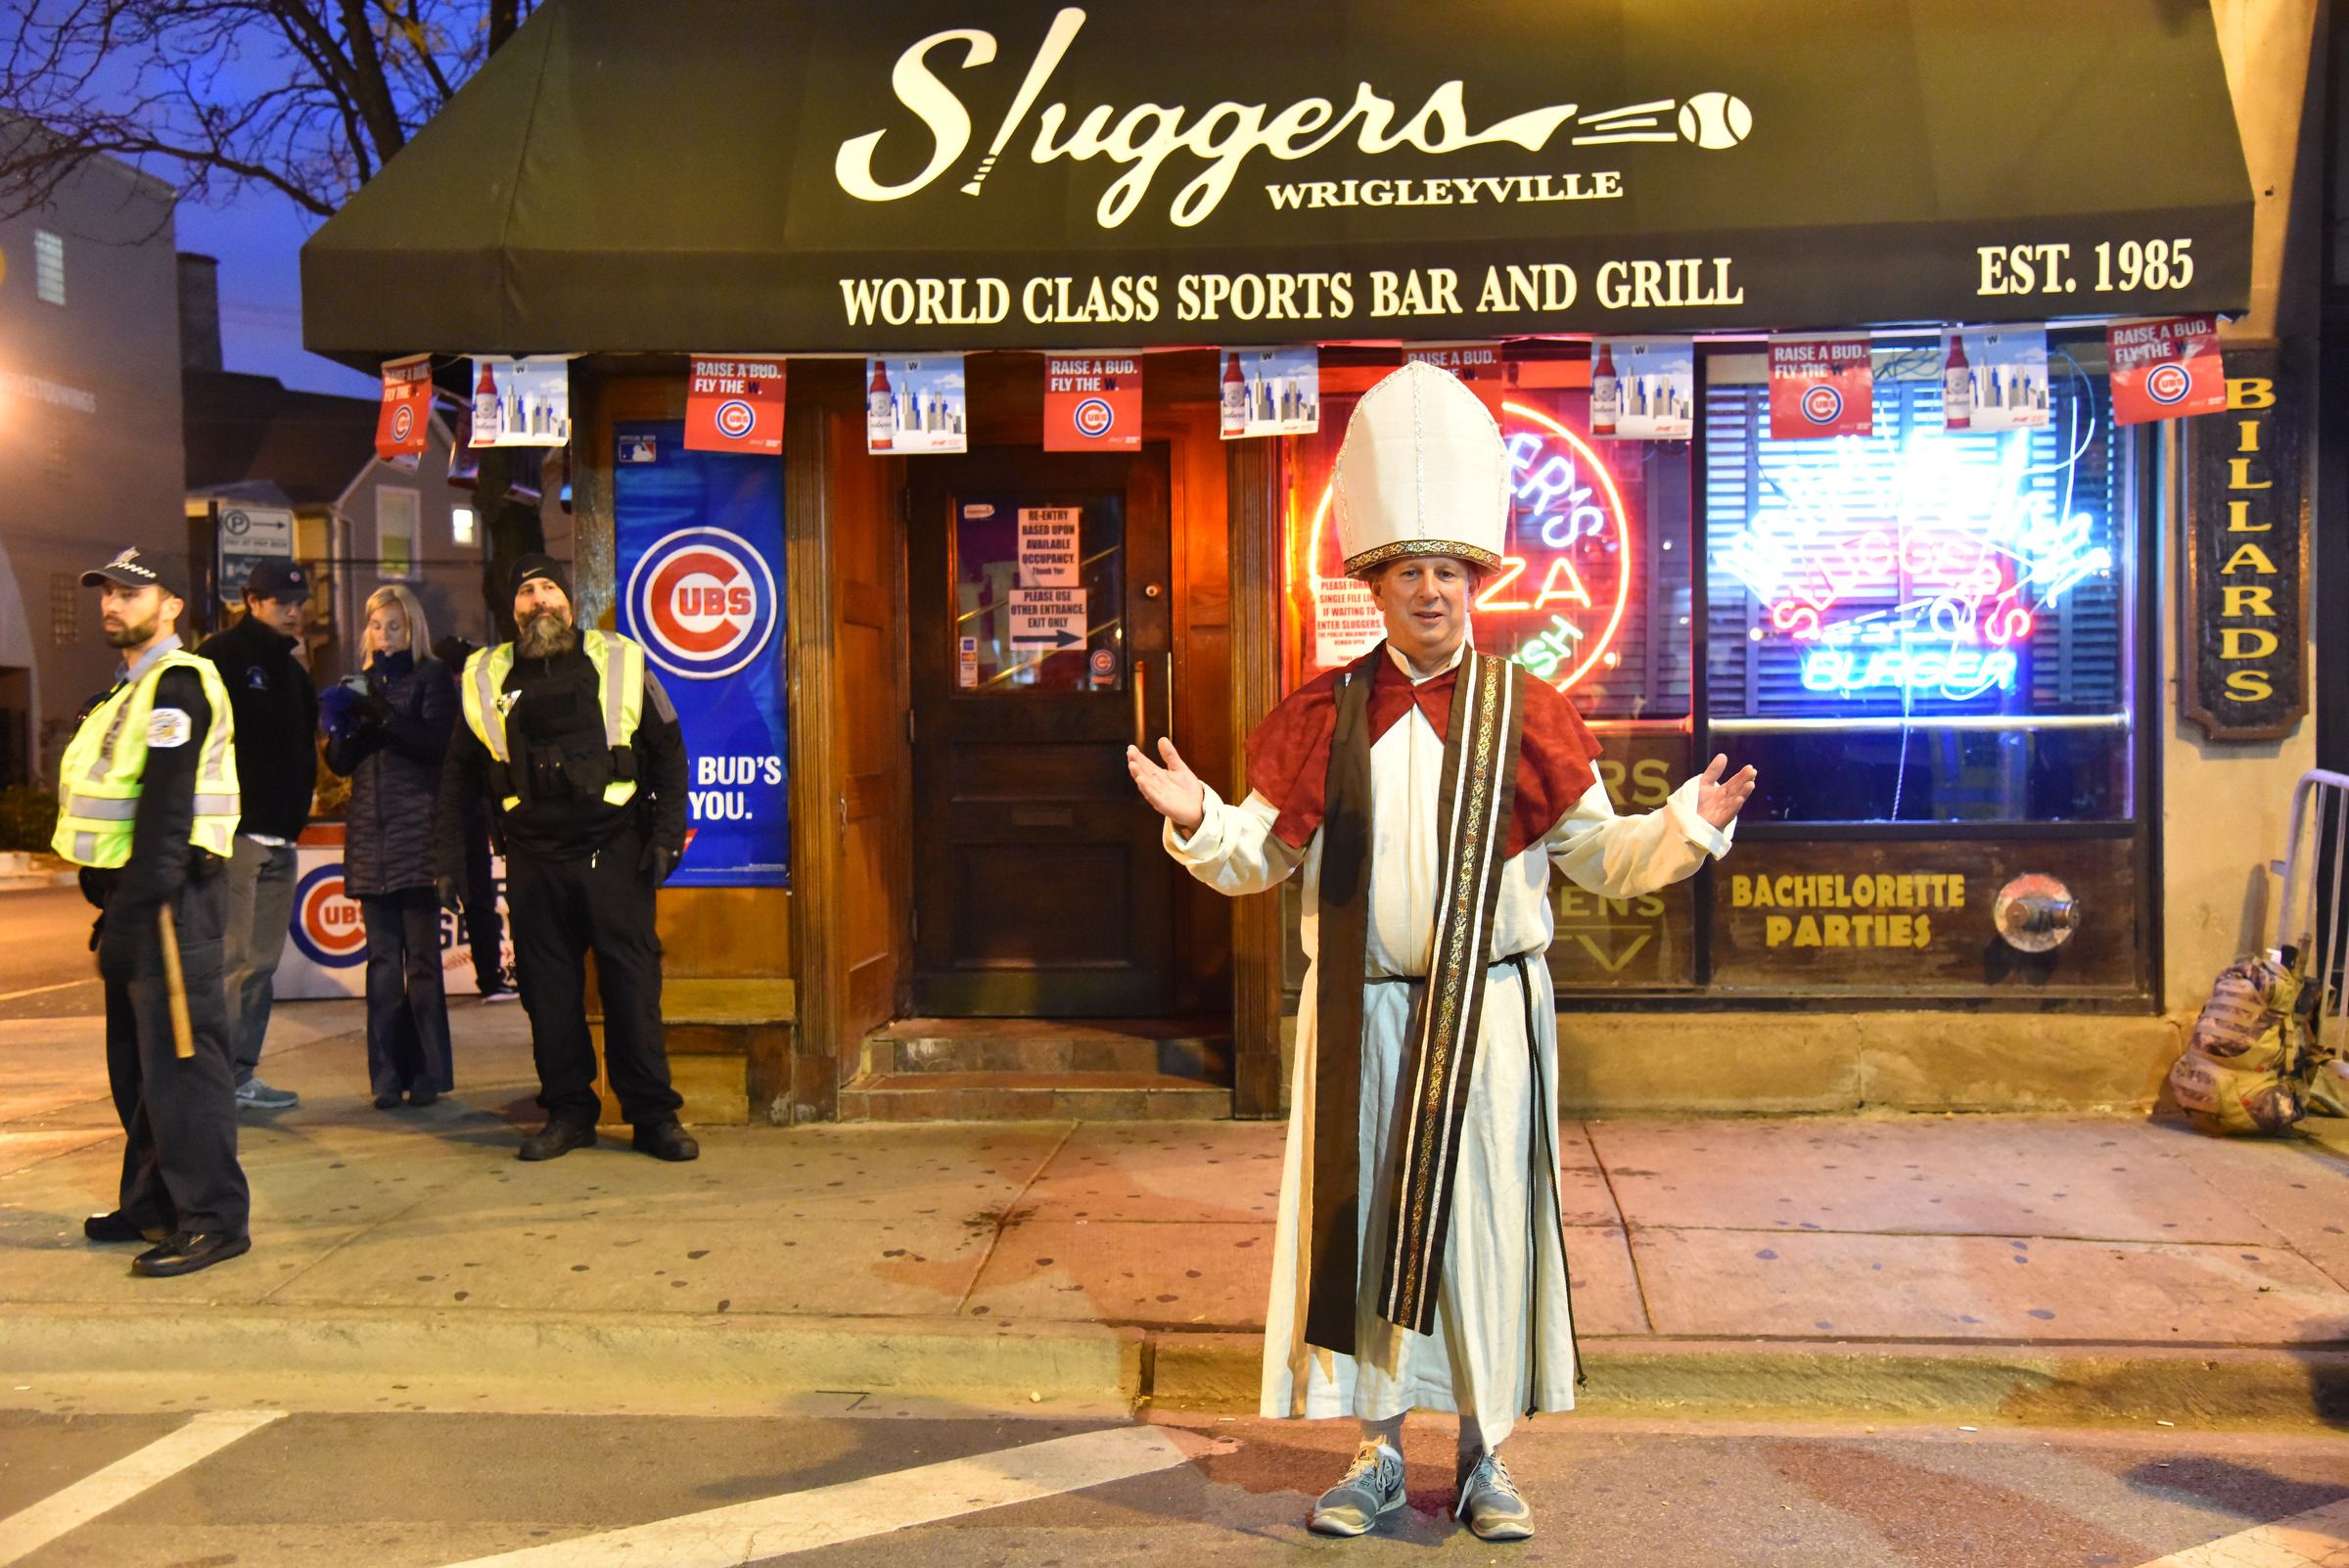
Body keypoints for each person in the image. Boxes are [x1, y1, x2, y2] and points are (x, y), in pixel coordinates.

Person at [1126, 364, 1756, 1543]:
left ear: (1478, 583)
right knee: (1363, 1232)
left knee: (1481, 1232)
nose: (1431, 590)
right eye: (1408, 569)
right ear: (1372, 584)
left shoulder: (1530, 710)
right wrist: (1195, 814)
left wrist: (1685, 827)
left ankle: (1482, 1457)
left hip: (1493, 1014)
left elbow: (1596, 857)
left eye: (1450, 571)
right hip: (1360, 1017)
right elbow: (1257, 856)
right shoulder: (1320, 714)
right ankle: (1371, 1452)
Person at [436, 554, 697, 1163]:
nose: (539, 600)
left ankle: (654, 1117)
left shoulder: (621, 660)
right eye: (526, 592)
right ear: (513, 609)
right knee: (548, 995)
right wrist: (447, 857)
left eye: (549, 587)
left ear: (570, 601)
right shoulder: (484, 675)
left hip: (617, 852)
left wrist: (664, 836)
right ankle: (569, 1113)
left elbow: (669, 751)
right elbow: (456, 779)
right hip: (532, 860)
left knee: (632, 990)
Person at [53, 547, 253, 1277]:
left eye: (131, 593)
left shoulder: (177, 684)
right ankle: (152, 1202)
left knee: (182, 1065)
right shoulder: (126, 690)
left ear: (172, 606)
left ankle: (213, 1218)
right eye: (106, 591)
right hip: (135, 899)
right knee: (138, 1067)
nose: (113, 603)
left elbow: (168, 806)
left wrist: (138, 907)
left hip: (169, 903)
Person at [325, 586, 459, 1109]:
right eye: (378, 625)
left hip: (418, 836)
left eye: (396, 626)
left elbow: (435, 746)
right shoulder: (359, 683)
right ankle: (385, 1076)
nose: (385, 635)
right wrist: (339, 725)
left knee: (422, 966)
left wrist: (381, 716)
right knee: (382, 967)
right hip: (369, 839)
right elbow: (342, 763)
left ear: (414, 630)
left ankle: (427, 1073)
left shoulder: (430, 679)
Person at [198, 557, 319, 1112]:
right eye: (279, 602)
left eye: (298, 602)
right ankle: (211, 1080)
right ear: (251, 601)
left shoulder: (294, 672)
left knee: (262, 963)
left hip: (282, 838)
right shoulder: (219, 656)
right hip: (237, 835)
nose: (292, 611)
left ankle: (241, 1074)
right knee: (232, 959)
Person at [433, 631, 518, 1002]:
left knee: (476, 895)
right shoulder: (453, 700)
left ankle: (491, 977)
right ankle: (491, 978)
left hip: (464, 808)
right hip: (458, 809)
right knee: (476, 894)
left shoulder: (458, 698)